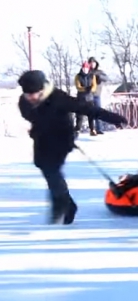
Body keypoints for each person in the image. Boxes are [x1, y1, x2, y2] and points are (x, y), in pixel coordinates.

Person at [18, 70, 126, 224]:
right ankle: (68, 204)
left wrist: (113, 118)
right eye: (28, 95)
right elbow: (34, 118)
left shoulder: (58, 97)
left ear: (42, 89)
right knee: (42, 165)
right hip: (42, 139)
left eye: (34, 94)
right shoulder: (24, 102)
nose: (31, 98)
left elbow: (86, 108)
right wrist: (36, 129)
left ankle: (62, 205)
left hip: (62, 139)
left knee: (52, 169)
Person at [74, 62, 98, 136]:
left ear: (88, 68)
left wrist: (91, 89)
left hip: (89, 98)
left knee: (91, 115)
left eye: (86, 68)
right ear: (82, 68)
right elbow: (78, 86)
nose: (85, 69)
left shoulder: (92, 76)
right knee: (79, 115)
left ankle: (92, 129)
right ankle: (77, 129)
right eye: (84, 68)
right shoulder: (78, 76)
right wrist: (85, 89)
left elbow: (94, 86)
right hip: (81, 97)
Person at [88, 57, 109, 135]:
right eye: (91, 63)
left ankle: (99, 129)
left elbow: (106, 78)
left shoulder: (99, 72)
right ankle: (92, 129)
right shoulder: (87, 72)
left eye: (93, 63)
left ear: (96, 63)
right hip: (88, 95)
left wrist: (99, 77)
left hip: (97, 95)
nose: (92, 64)